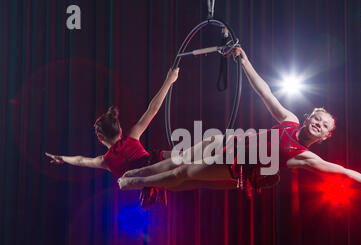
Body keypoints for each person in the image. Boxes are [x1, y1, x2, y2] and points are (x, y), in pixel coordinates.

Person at [117, 48, 361, 202]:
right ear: (308, 118)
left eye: (324, 125)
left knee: (182, 171)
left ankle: (134, 181)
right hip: (228, 142)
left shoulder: (305, 156)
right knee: (177, 158)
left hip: (238, 166)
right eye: (317, 118)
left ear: (326, 136)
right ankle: (137, 172)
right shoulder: (290, 120)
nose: (318, 124)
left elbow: (344, 172)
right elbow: (265, 91)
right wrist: (244, 61)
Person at [46, 68, 236, 210]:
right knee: (206, 148)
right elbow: (153, 109)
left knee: (201, 179)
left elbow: (80, 159)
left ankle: (236, 176)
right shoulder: (131, 136)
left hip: (160, 180)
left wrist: (62, 158)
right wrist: (169, 81)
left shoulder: (105, 161)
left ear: (100, 137)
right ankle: (231, 154)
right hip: (162, 162)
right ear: (119, 129)